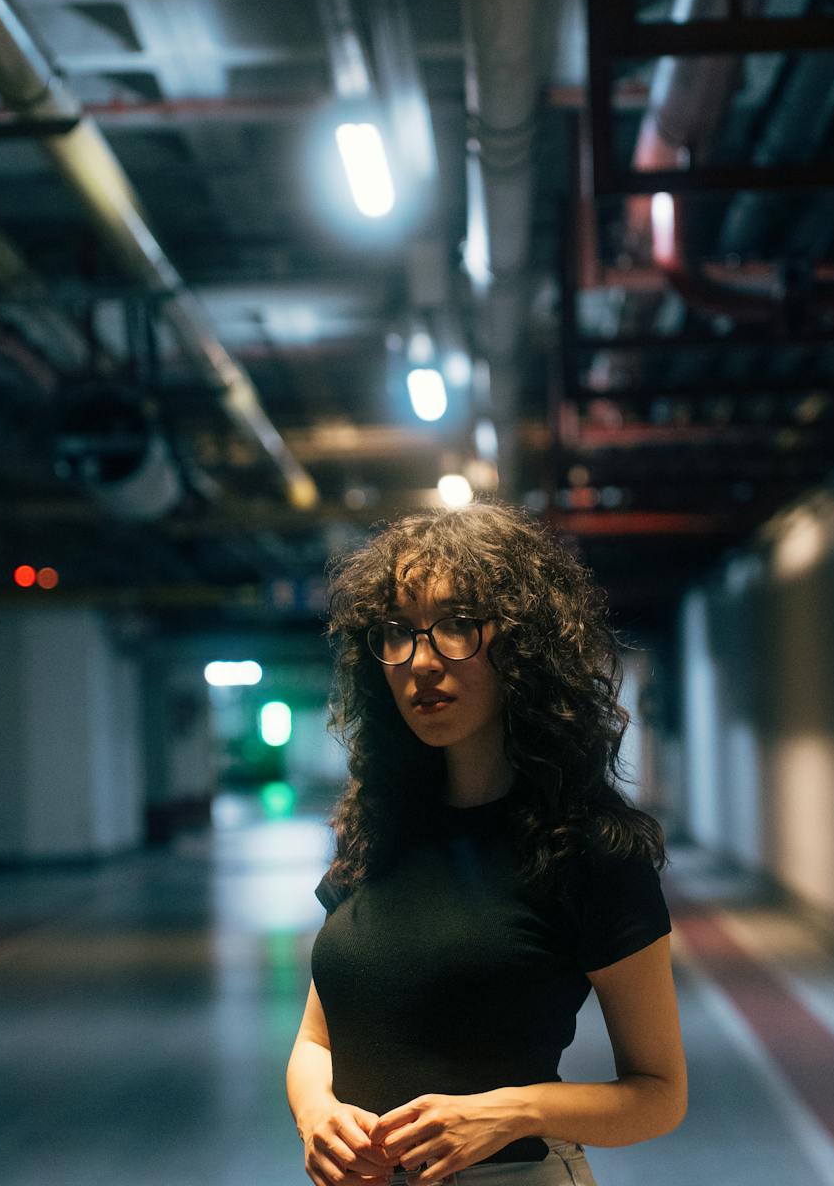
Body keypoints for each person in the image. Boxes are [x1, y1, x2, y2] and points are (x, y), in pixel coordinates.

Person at [287, 499, 686, 1185]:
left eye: (457, 626)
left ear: (522, 646)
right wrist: (317, 1112)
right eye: (397, 632)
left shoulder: (588, 851)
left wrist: (510, 1112)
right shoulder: (377, 830)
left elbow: (658, 1094)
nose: (421, 660)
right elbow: (316, 1040)